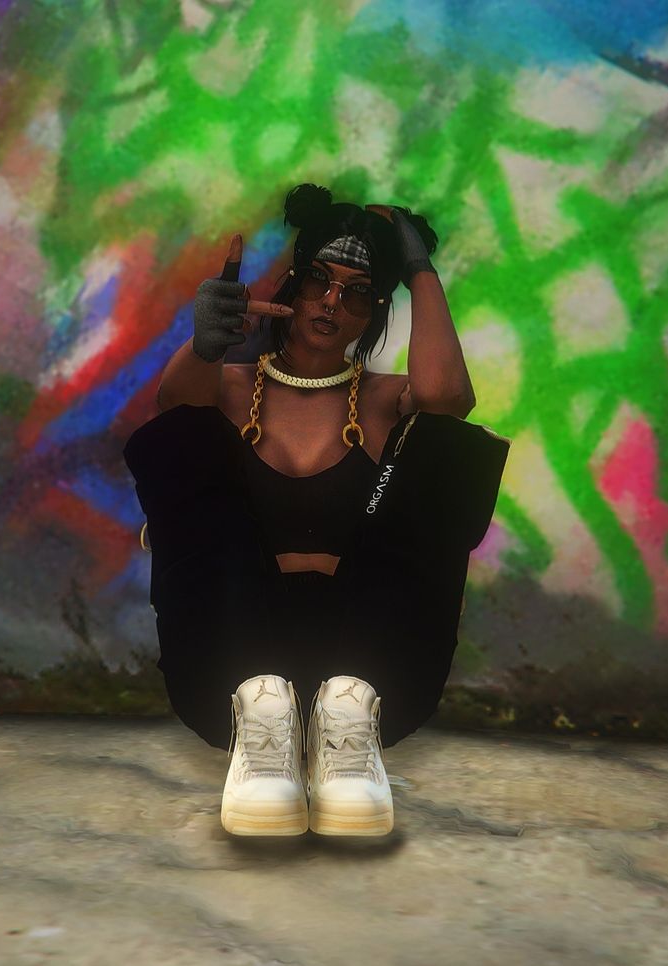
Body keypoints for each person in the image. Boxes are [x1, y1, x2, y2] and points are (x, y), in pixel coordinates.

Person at [122, 183, 509, 839]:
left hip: (372, 664)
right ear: (293, 286)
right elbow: (174, 407)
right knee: (184, 436)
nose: (332, 301)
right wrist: (206, 345)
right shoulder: (230, 388)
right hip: (227, 660)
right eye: (318, 281)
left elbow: (447, 398)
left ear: (375, 310)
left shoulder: (389, 402)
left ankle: (348, 732)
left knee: (448, 448)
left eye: (358, 292)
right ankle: (263, 732)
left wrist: (422, 273)